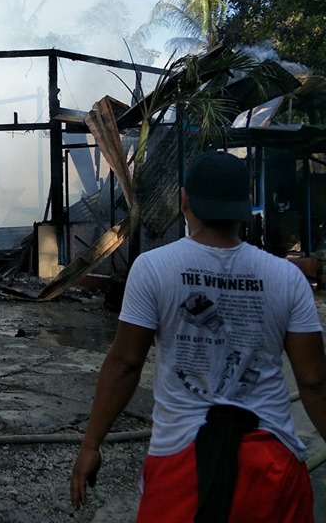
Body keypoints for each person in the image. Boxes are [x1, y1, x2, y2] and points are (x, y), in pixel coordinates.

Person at [70, 151, 326, 522]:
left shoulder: (155, 268)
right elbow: (315, 382)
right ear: (245, 203)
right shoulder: (287, 278)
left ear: (185, 200)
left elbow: (125, 364)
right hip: (272, 466)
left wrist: (91, 445)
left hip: (181, 463)